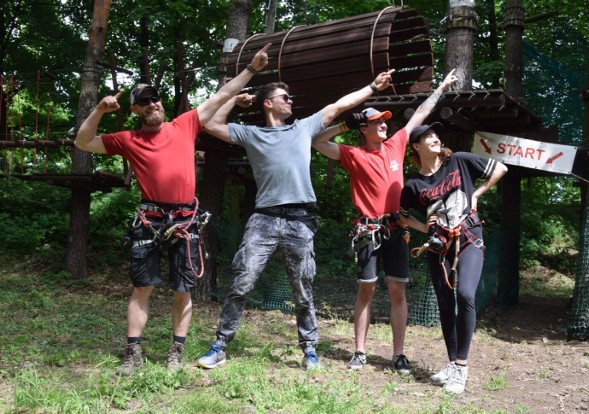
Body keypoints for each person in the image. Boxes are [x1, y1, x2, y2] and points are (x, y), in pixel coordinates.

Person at [74, 44, 271, 375]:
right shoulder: (127, 139)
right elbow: (82, 142)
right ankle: (133, 353)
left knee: (183, 288)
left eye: (156, 98)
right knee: (142, 287)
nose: (153, 104)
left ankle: (176, 352)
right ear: (135, 110)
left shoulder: (184, 125)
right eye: (144, 101)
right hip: (149, 221)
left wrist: (251, 68)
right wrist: (98, 111)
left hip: (185, 220)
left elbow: (221, 95)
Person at [196, 70, 395, 371]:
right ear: (268, 104)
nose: (291, 101)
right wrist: (234, 101)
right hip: (263, 219)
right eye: (284, 98)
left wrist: (371, 87)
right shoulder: (252, 134)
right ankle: (220, 346)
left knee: (303, 289)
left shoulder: (302, 128)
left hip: (300, 221)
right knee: (242, 283)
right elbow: (210, 124)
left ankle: (310, 351)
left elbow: (339, 106)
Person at [310, 69, 458, 373]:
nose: (384, 124)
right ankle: (360, 351)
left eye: (384, 121)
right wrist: (344, 124)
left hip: (397, 229)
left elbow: (420, 114)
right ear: (364, 128)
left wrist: (441, 88)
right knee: (366, 288)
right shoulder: (352, 154)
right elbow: (316, 142)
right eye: (377, 122)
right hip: (368, 231)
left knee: (397, 290)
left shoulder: (396, 145)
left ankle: (398, 354)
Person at [399, 123, 508, 393]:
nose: (434, 138)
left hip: (469, 237)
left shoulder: (459, 161)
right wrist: (424, 227)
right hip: (438, 245)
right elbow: (401, 215)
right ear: (415, 146)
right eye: (427, 137)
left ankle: (461, 367)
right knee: (445, 303)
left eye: (435, 135)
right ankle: (452, 362)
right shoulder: (413, 184)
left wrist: (477, 194)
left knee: (466, 294)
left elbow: (500, 168)